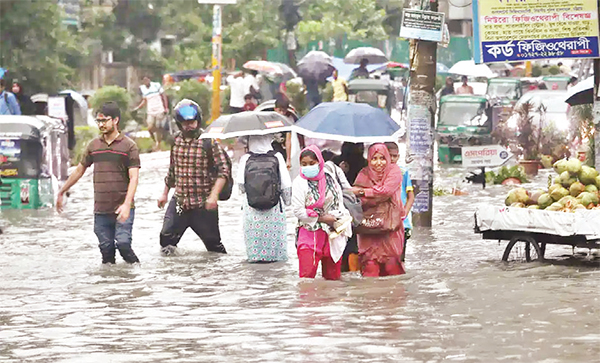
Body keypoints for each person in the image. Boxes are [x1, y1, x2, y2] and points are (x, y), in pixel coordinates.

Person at [56, 102, 140, 264]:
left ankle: (137, 276)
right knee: (106, 250)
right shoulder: (93, 146)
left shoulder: (129, 146)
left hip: (122, 207)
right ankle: (110, 286)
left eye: (105, 120)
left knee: (123, 244)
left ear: (115, 120)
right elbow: (79, 170)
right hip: (101, 209)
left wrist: (127, 204)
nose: (101, 124)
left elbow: (134, 178)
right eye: (98, 121)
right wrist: (61, 191)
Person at [157, 99, 230, 256]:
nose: (189, 125)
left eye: (192, 122)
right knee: (166, 242)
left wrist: (213, 196)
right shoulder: (175, 141)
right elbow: (172, 170)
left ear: (198, 121)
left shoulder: (208, 142)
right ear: (179, 123)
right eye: (185, 123)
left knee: (214, 248)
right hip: (180, 203)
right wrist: (164, 193)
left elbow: (223, 170)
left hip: (203, 204)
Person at [292, 145, 352, 280]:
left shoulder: (330, 178)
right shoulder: (299, 183)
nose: (308, 167)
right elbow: (297, 210)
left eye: (312, 163)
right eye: (304, 164)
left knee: (333, 279)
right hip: (309, 232)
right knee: (307, 280)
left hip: (332, 233)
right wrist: (321, 218)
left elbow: (339, 201)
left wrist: (337, 219)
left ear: (319, 162)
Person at [236, 134, 292, 262]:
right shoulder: (277, 156)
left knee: (255, 250)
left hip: (251, 208)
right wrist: (287, 202)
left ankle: (255, 261)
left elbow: (241, 185)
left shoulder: (246, 158)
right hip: (274, 209)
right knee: (276, 255)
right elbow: (286, 185)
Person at [352, 143, 405, 277]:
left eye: (382, 158)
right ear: (369, 159)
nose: (378, 163)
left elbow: (386, 191)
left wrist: (363, 192)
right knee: (370, 268)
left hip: (390, 229)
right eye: (374, 159)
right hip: (369, 229)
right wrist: (370, 195)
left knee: (392, 269)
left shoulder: (394, 171)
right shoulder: (363, 174)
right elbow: (356, 201)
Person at [332, 142, 367, 272]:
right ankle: (352, 272)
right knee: (353, 242)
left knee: (342, 241)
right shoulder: (365, 164)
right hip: (357, 209)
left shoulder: (335, 162)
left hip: (340, 208)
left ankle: (343, 270)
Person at [385, 142, 414, 262]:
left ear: (398, 156)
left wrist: (405, 213)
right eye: (389, 155)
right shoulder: (378, 173)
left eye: (394, 156)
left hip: (402, 223)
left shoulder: (403, 172)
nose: (392, 159)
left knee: (400, 259)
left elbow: (410, 196)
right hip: (384, 221)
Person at [133, 75, 169, 151]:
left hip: (159, 108)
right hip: (150, 110)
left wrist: (166, 107)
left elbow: (163, 96)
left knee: (159, 127)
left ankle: (158, 144)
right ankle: (154, 141)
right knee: (150, 127)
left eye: (147, 79)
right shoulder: (143, 89)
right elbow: (145, 100)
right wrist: (138, 107)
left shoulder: (156, 85)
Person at [272, 95, 294, 168]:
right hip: (269, 150)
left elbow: (288, 141)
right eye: (279, 110)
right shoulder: (269, 120)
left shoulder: (287, 122)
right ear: (275, 109)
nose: (281, 113)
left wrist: (288, 159)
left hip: (281, 150)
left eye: (283, 111)